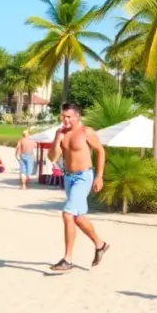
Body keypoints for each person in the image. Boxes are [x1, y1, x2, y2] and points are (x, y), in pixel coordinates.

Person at [47, 102, 108, 272]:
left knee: (67, 214)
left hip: (83, 176)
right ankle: (100, 244)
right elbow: (52, 157)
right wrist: (56, 141)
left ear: (77, 117)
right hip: (69, 178)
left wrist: (99, 176)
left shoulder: (86, 132)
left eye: (68, 117)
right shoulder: (60, 133)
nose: (65, 120)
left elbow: (100, 151)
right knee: (78, 218)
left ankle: (67, 259)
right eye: (63, 116)